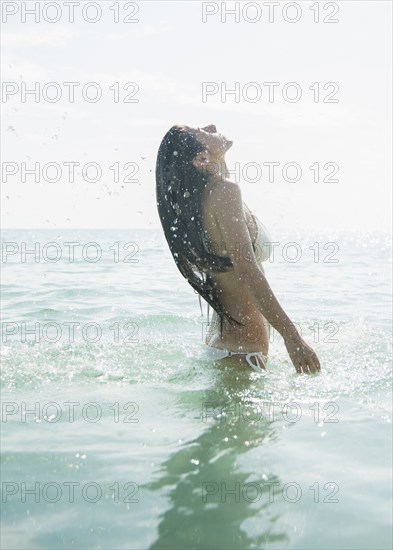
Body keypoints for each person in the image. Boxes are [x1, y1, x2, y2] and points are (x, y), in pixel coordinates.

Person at [155, 123, 321, 374]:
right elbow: (247, 270)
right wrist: (293, 338)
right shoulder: (223, 193)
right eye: (201, 130)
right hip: (243, 352)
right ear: (201, 159)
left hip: (226, 346)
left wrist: (217, 154)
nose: (210, 125)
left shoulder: (206, 198)